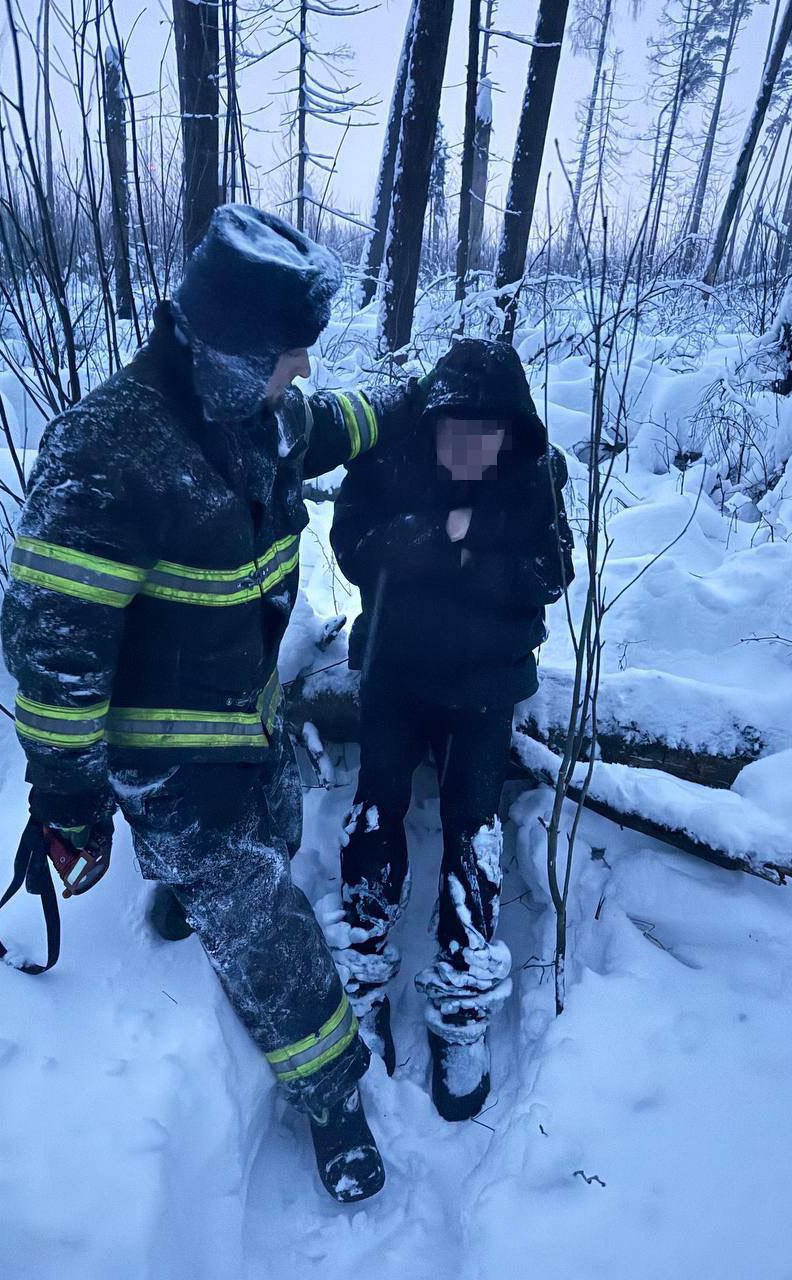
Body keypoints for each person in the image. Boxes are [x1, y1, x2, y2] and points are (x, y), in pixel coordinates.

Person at [0, 205, 424, 1204]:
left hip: (246, 715)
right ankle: (332, 1095)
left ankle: (190, 887)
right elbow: (55, 657)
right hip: (164, 753)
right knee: (264, 915)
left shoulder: (251, 410)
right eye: (291, 354)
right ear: (235, 351)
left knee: (270, 833)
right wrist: (68, 803)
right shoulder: (107, 453)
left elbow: (328, 426)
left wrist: (413, 403)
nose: (304, 373)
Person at [328, 338, 574, 1121]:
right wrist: (437, 540)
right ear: (430, 422)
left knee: (475, 828)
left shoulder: (538, 472)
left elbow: (554, 570)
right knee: (376, 807)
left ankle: (462, 1011)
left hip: (487, 684)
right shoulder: (391, 459)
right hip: (395, 671)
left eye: (488, 431)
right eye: (455, 429)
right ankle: (363, 981)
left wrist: (481, 556)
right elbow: (350, 547)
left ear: (513, 431)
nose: (470, 447)